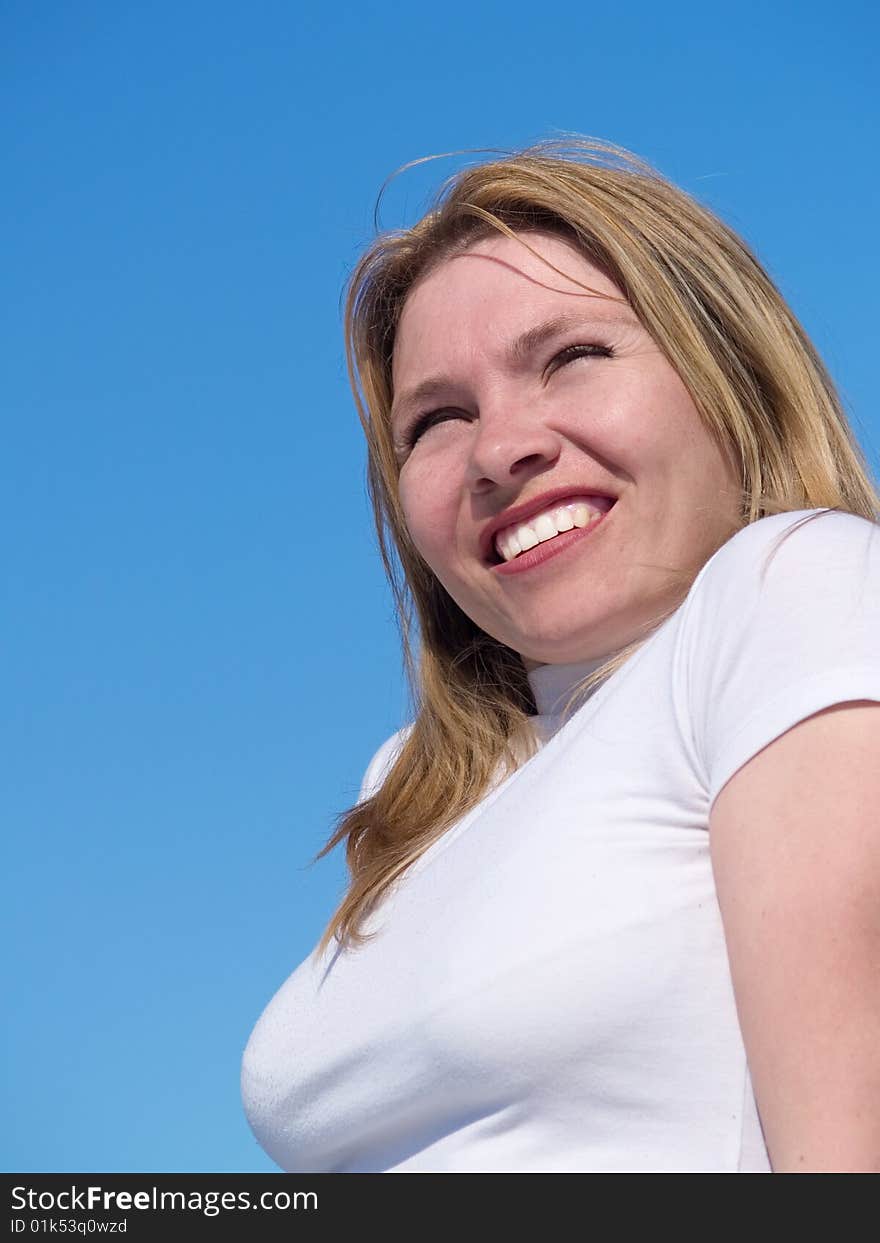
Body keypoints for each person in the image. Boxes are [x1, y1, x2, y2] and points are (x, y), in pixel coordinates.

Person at [241, 137, 880, 1173]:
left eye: (571, 357)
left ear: (729, 375)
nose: (500, 450)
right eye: (438, 419)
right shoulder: (410, 785)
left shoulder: (792, 591)